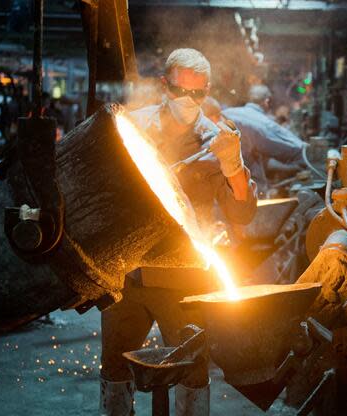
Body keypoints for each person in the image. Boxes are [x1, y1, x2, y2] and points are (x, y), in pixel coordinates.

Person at [100, 48, 257, 416]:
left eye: (198, 94)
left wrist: (233, 165)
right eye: (180, 91)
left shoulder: (217, 140)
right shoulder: (131, 126)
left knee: (191, 369)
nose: (189, 101)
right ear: (163, 85)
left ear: (207, 91)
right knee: (115, 365)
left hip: (185, 281)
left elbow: (243, 211)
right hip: (129, 273)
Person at [222, 84, 307, 192]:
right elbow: (290, 147)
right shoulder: (261, 122)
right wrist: (306, 152)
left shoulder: (228, 112)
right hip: (247, 187)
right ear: (267, 101)